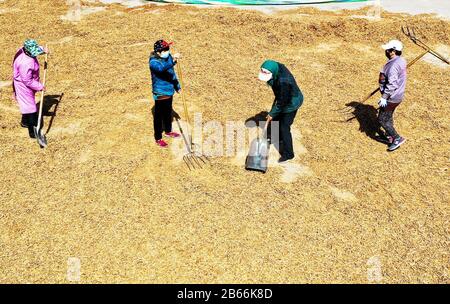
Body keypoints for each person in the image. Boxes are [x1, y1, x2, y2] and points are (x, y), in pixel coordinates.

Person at [258, 60, 304, 163]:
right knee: (275, 119)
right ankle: (275, 137)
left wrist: (272, 113)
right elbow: (280, 99)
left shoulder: (284, 82)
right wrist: (273, 113)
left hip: (292, 102)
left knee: (284, 127)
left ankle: (289, 154)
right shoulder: (276, 67)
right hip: (282, 97)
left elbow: (282, 102)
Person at [12, 39, 48, 138]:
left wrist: (42, 50)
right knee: (30, 108)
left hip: (25, 83)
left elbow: (34, 49)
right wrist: (39, 86)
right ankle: (33, 132)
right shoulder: (26, 63)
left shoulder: (22, 50)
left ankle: (24, 121)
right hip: (24, 86)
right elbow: (27, 80)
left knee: (26, 105)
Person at [149, 40, 181, 148]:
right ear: (158, 52)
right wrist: (172, 60)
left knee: (168, 112)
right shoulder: (153, 62)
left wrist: (177, 86)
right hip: (160, 92)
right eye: (165, 50)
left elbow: (172, 73)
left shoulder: (168, 58)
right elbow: (160, 68)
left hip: (169, 91)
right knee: (158, 116)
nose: (167, 51)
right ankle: (158, 137)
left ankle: (168, 131)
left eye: (168, 49)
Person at [377, 39, 407, 151]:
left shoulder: (393, 66)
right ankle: (390, 136)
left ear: (393, 51)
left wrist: (384, 97)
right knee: (388, 116)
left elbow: (392, 84)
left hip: (391, 97)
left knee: (382, 119)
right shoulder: (400, 60)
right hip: (397, 95)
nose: (386, 52)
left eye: (387, 50)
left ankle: (397, 138)